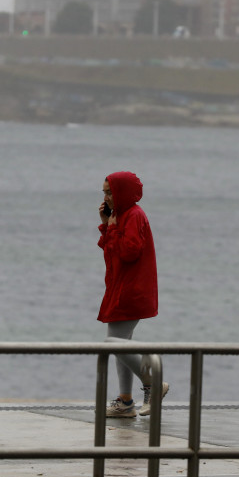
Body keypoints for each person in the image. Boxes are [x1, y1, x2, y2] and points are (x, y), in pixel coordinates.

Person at [97, 171, 169, 418]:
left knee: (113, 343)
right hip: (121, 287)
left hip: (131, 290)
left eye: (110, 191)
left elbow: (129, 252)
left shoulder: (134, 215)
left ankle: (153, 383)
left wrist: (113, 229)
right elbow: (112, 252)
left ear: (122, 192)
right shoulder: (121, 215)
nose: (106, 196)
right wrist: (108, 225)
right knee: (120, 344)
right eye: (104, 192)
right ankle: (126, 401)